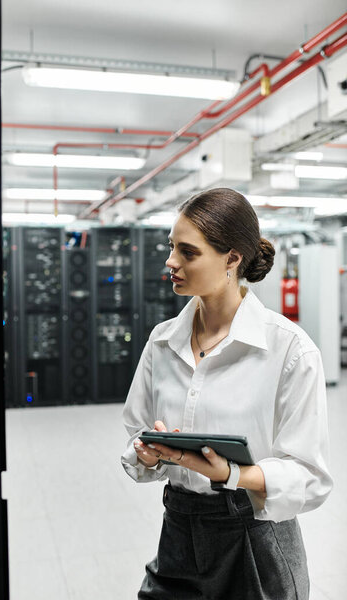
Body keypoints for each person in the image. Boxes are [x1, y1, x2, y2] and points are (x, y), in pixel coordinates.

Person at [121, 188, 333, 600]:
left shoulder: (289, 349)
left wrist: (232, 474)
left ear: (232, 258)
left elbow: (310, 478)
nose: (171, 262)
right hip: (179, 530)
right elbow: (136, 434)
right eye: (171, 248)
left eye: (188, 251)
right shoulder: (162, 342)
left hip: (255, 539)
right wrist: (147, 452)